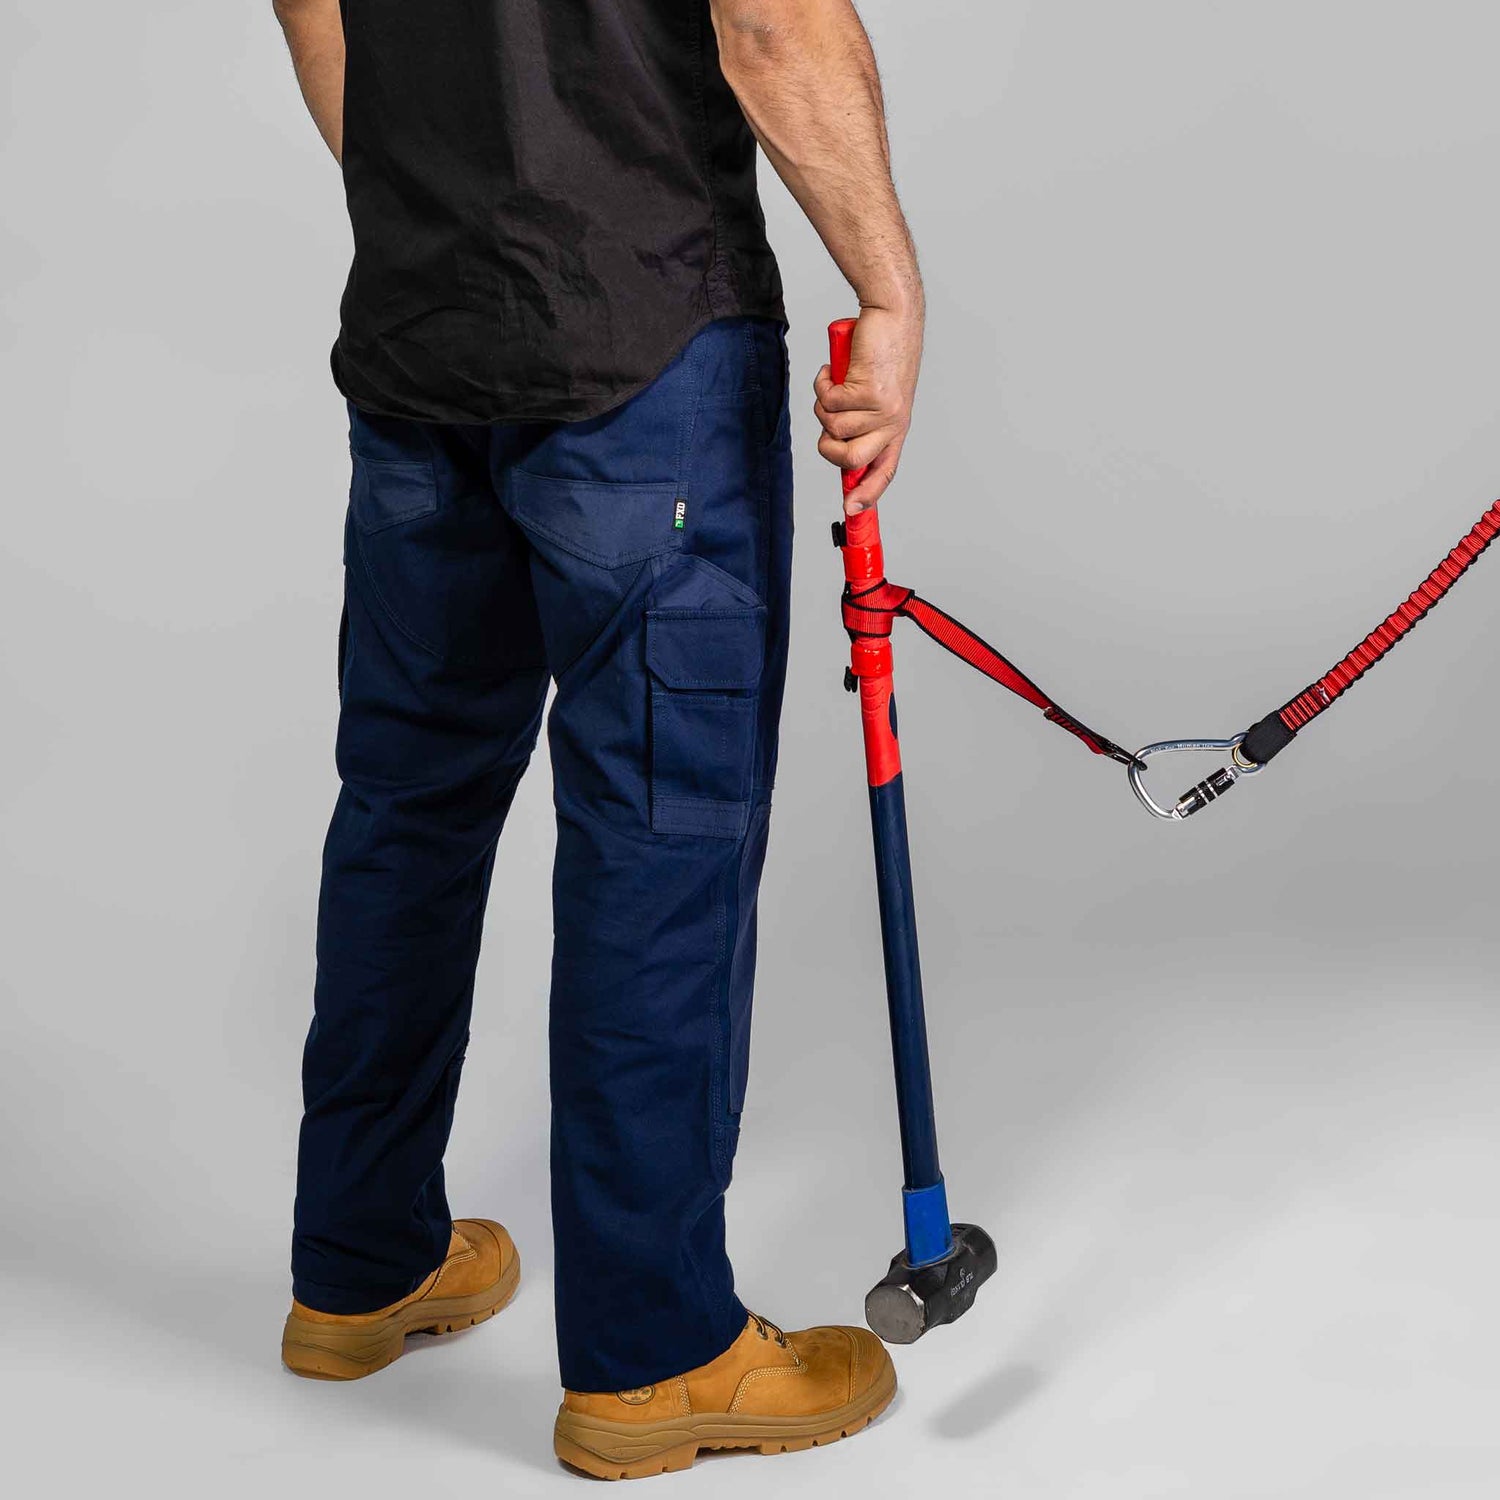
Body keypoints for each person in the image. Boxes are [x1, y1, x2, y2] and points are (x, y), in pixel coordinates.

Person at [271, 0, 924, 1478]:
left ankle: (359, 1266)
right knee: (657, 840)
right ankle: (658, 1353)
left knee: (405, 810)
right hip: (642, 341)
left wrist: (446, 218)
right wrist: (887, 292)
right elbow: (770, 21)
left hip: (424, 336)